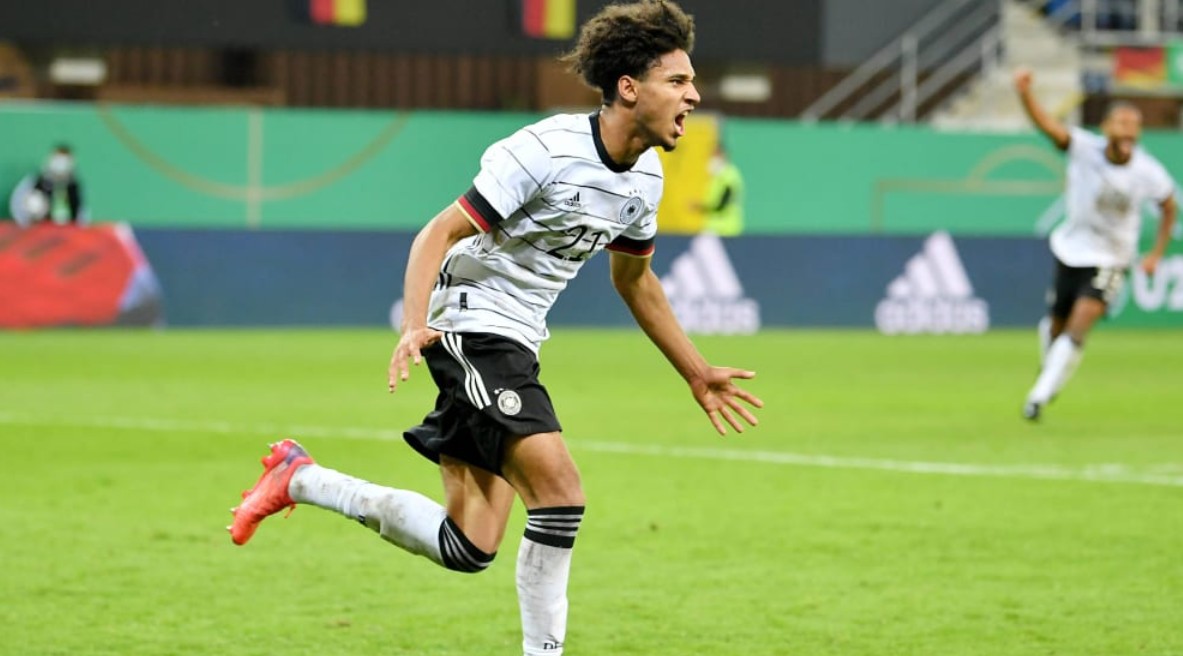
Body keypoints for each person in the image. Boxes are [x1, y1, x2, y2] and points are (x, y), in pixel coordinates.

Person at [227, 2, 764, 654]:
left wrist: (695, 371)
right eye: (677, 81)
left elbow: (635, 281)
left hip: (518, 341)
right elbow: (439, 232)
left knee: (468, 544)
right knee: (560, 495)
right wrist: (415, 324)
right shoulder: (545, 151)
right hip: (471, 323)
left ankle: (300, 478)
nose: (693, 95)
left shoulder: (646, 179)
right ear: (629, 87)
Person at [1014, 67, 1177, 420]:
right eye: (1121, 123)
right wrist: (1025, 94)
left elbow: (1168, 206)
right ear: (1106, 128)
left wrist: (1155, 254)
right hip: (1071, 250)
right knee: (1055, 327)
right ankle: (1051, 375)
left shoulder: (1148, 171)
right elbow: (1048, 127)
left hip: (1112, 258)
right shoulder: (1084, 148)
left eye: (1134, 125)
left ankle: (1037, 397)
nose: (1128, 131)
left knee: (1080, 322)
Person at [695, 141, 744, 236]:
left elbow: (722, 203)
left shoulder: (729, 176)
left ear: (724, 156)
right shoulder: (716, 177)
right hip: (715, 229)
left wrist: (701, 207)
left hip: (727, 229)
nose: (712, 158)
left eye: (715, 155)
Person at [31, 144, 85, 223]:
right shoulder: (42, 181)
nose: (61, 164)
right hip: (44, 224)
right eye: (59, 159)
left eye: (64, 160)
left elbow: (78, 208)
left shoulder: (73, 184)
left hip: (69, 225)